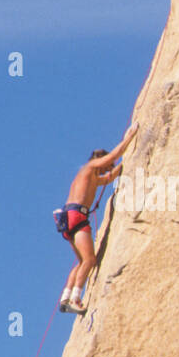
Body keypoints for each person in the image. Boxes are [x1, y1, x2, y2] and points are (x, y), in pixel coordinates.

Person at [56, 123, 139, 313]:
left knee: (81, 262)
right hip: (78, 217)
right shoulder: (91, 166)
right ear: (99, 160)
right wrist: (130, 137)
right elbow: (112, 157)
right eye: (106, 165)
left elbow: (109, 177)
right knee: (90, 261)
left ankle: (66, 296)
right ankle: (75, 298)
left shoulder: (87, 176)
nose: (106, 168)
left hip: (68, 219)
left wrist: (124, 163)